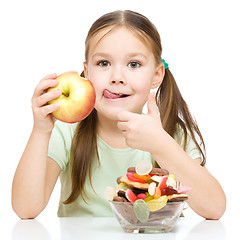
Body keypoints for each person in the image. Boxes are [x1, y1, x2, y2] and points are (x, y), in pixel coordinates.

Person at [12, 10, 226, 219]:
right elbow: (26, 209)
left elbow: (214, 208)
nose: (117, 77)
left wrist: (161, 145)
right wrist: (40, 131)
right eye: (103, 63)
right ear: (86, 73)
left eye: (134, 64)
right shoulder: (67, 131)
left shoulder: (170, 132)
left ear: (156, 75)